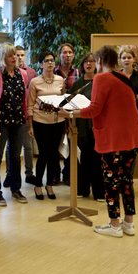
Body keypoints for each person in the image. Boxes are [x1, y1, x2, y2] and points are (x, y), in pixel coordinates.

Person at [60, 46, 138, 238]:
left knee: (111, 182)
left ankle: (114, 225)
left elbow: (94, 110)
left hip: (114, 140)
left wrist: (70, 113)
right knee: (126, 181)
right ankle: (128, 224)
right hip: (133, 138)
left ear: (99, 60)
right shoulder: (123, 77)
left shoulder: (102, 79)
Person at [0, 43, 29, 206]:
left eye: (15, 55)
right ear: (3, 57)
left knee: (15, 157)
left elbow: (24, 99)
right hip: (1, 122)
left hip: (18, 121)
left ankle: (16, 189)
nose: (14, 58)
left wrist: (26, 118)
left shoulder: (23, 74)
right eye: (11, 55)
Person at [26, 51, 65, 200]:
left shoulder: (60, 80)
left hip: (57, 122)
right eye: (46, 61)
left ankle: (49, 185)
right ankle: (38, 185)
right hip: (40, 122)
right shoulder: (35, 82)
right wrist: (30, 126)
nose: (50, 63)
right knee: (43, 154)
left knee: (54, 154)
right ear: (41, 64)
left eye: (52, 61)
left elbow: (63, 101)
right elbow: (30, 105)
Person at [71, 54, 104, 201]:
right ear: (82, 65)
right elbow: (70, 104)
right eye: (86, 62)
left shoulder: (102, 81)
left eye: (92, 61)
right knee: (83, 158)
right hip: (82, 126)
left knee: (97, 159)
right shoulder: (77, 84)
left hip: (98, 125)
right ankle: (83, 189)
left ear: (96, 64)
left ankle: (99, 192)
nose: (89, 64)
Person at [54, 43, 80, 184]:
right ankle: (55, 174)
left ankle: (68, 174)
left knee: (71, 143)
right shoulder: (53, 72)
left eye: (70, 52)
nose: (67, 55)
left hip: (73, 113)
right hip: (56, 113)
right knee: (55, 144)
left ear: (74, 55)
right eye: (64, 52)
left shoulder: (77, 72)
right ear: (60, 55)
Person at [14, 45, 37, 185]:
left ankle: (29, 174)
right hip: (14, 113)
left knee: (28, 146)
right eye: (17, 55)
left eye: (22, 55)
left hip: (27, 113)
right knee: (12, 147)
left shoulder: (31, 72)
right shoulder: (8, 72)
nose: (19, 57)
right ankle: (9, 174)